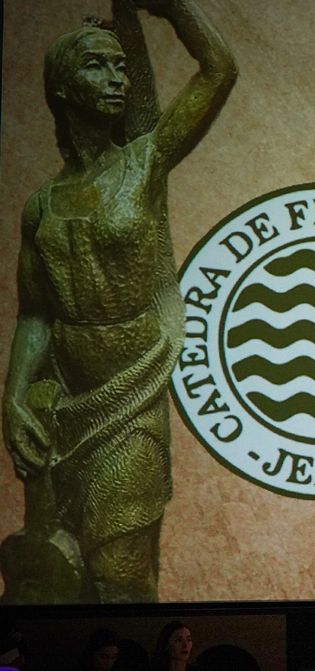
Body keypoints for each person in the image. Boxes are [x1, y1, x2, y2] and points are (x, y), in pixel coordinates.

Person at [2, 0, 236, 603]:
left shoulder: (145, 161)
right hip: (63, 398)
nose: (118, 80)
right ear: (61, 87)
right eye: (99, 68)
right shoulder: (44, 203)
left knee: (121, 571)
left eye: (122, 68)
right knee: (63, 576)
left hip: (130, 389)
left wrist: (176, 10)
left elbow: (219, 70)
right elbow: (35, 315)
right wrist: (13, 397)